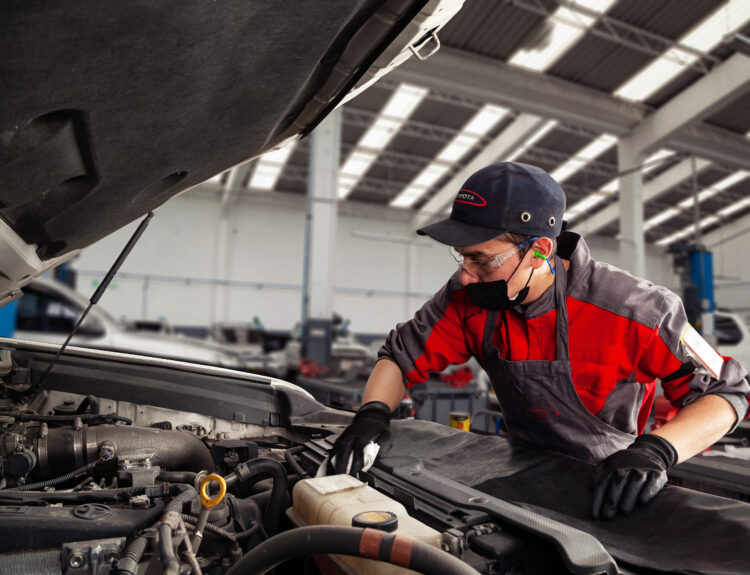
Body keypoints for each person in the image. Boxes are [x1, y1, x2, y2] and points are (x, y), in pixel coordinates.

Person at [330, 161, 750, 520]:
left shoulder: (636, 310)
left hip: (611, 486)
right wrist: (371, 415)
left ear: (539, 251)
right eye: (462, 257)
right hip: (519, 471)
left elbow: (727, 393)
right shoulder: (467, 300)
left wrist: (656, 452)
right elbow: (400, 358)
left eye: (481, 259)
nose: (465, 274)